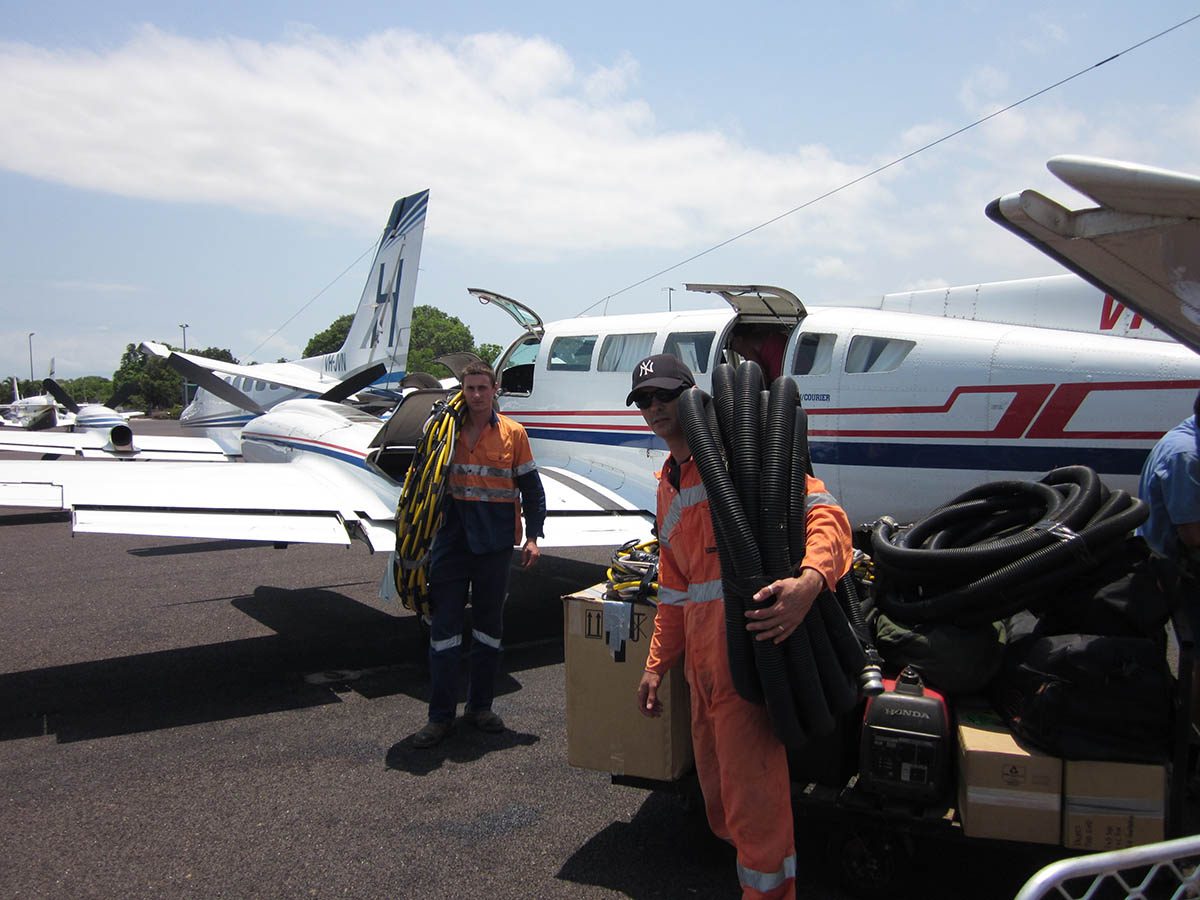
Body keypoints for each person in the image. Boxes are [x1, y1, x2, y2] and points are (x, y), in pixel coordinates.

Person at [629, 353, 852, 900]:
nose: (654, 408)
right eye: (644, 401)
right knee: (720, 800)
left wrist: (810, 580)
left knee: (754, 802)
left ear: (689, 394)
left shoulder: (736, 456)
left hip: (745, 657)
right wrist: (658, 666)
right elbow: (676, 589)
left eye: (663, 395)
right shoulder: (668, 483)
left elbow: (825, 513)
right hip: (702, 672)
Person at [411, 361, 546, 749]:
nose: (475, 395)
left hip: (494, 547)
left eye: (482, 388)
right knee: (444, 633)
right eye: (469, 388)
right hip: (451, 547)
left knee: (488, 632)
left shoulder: (514, 434)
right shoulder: (443, 431)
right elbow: (421, 481)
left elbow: (532, 491)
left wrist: (533, 537)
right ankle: (439, 718)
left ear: (494, 390)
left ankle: (480, 708)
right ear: (463, 390)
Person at [1138, 390, 1200, 726]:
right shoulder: (1186, 455)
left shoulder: (1188, 436)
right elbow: (1194, 533)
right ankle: (1190, 735)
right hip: (1172, 570)